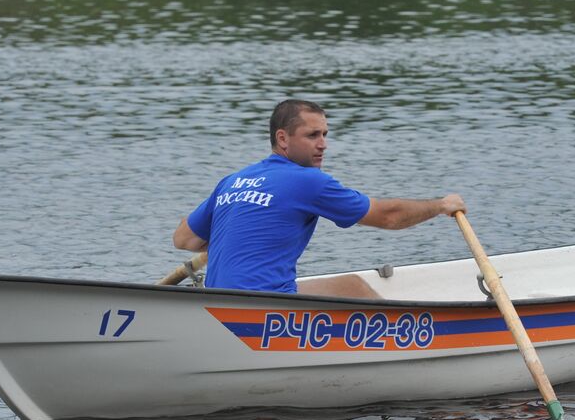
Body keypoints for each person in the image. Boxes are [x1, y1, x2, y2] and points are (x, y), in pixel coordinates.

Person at [172, 99, 465, 298]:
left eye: (325, 134)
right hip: (264, 307)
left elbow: (184, 239)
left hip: (216, 303)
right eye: (312, 135)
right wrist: (440, 206)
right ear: (283, 139)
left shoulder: (233, 181)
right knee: (355, 290)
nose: (323, 144)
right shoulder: (308, 181)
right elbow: (388, 216)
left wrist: (243, 233)